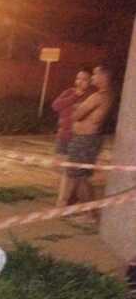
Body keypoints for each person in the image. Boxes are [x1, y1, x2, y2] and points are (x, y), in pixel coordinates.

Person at [61, 64, 115, 222]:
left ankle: (91, 214)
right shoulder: (108, 95)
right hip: (88, 140)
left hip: (85, 140)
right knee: (79, 176)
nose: (92, 77)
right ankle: (87, 211)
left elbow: (76, 115)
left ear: (104, 76)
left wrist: (78, 108)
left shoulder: (98, 96)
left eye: (95, 74)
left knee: (80, 177)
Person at [52, 67, 93, 206]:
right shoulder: (69, 92)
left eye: (84, 79)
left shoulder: (91, 97)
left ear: (90, 81)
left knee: (71, 171)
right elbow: (56, 106)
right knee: (63, 168)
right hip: (63, 135)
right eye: (78, 78)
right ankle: (71, 197)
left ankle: (64, 200)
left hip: (78, 138)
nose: (80, 81)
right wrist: (74, 96)